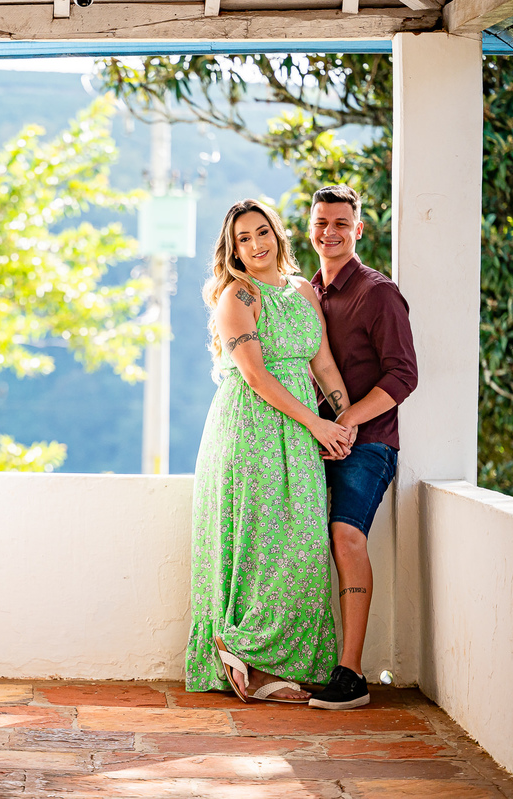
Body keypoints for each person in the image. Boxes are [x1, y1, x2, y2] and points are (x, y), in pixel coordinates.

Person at [186, 199, 357, 704]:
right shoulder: (236, 295)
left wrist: (344, 422)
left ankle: (277, 656)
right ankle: (244, 657)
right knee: (261, 544)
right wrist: (318, 425)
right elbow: (257, 376)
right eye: (244, 238)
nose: (257, 245)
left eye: (263, 232)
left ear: (278, 235)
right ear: (232, 247)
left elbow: (322, 366)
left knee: (300, 545)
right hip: (253, 429)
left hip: (302, 430)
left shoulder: (304, 290)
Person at [305, 185, 418, 711]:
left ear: (359, 230)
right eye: (321, 222)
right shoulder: (305, 293)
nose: (330, 233)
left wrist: (348, 421)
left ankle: (351, 675)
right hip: (311, 443)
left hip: (368, 444)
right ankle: (293, 660)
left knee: (346, 536)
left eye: (341, 224)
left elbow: (404, 374)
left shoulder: (379, 293)